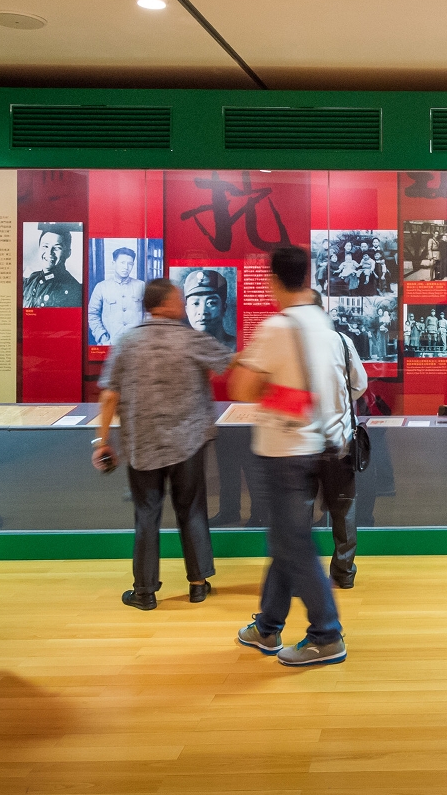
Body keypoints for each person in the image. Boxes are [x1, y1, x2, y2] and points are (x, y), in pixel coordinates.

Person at [230, 246, 361, 666]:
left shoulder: (276, 328)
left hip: (283, 452)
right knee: (286, 540)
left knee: (294, 543)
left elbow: (241, 389)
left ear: (272, 280)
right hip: (320, 448)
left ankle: (327, 634)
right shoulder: (325, 325)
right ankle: (267, 627)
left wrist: (260, 380)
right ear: (307, 275)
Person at [94, 279, 232, 609]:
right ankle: (198, 584)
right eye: (181, 299)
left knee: (146, 515)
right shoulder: (190, 339)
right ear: (168, 303)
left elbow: (109, 394)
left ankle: (144, 592)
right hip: (189, 442)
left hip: (142, 445)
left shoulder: (126, 342)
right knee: (193, 509)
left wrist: (103, 442)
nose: (184, 304)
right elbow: (228, 362)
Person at [310, 290, 370, 587]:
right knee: (344, 507)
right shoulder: (342, 343)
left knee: (300, 511)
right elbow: (359, 384)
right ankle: (344, 573)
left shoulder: (293, 343)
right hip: (339, 440)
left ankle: (301, 577)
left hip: (302, 443)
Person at [88, 246, 146, 345]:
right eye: (122, 263)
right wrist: (102, 337)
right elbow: (92, 314)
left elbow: (149, 313)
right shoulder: (102, 287)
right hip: (110, 343)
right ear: (113, 264)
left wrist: (143, 336)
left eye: (130, 264)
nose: (126, 267)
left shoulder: (141, 285)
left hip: (136, 344)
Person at [23, 225, 82, 308]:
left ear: (68, 253)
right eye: (45, 246)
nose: (49, 253)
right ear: (39, 248)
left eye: (57, 248)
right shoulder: (31, 279)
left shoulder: (74, 289)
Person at [182, 269, 237, 350]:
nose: (203, 311)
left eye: (211, 303)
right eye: (195, 303)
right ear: (187, 310)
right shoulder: (181, 348)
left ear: (224, 307)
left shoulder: (236, 347)